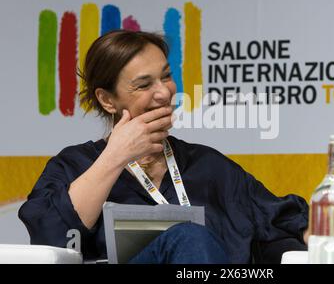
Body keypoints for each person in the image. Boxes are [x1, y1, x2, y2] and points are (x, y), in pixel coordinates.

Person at [19, 30, 309, 264]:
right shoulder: (73, 165)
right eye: (144, 85)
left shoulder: (208, 166)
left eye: (166, 76)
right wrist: (115, 156)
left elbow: (281, 223)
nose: (164, 92)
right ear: (107, 100)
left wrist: (323, 239)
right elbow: (51, 237)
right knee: (187, 237)